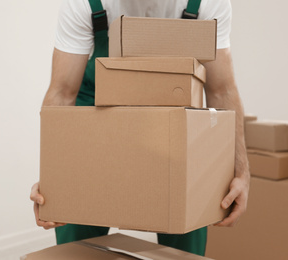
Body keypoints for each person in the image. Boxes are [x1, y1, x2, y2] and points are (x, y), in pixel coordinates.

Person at [30, 0, 250, 256]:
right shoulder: (84, 3)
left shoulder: (206, 4)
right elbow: (62, 93)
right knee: (74, 237)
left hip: (173, 118)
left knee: (188, 228)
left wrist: (242, 173)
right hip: (96, 118)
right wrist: (53, 180)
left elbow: (221, 90)